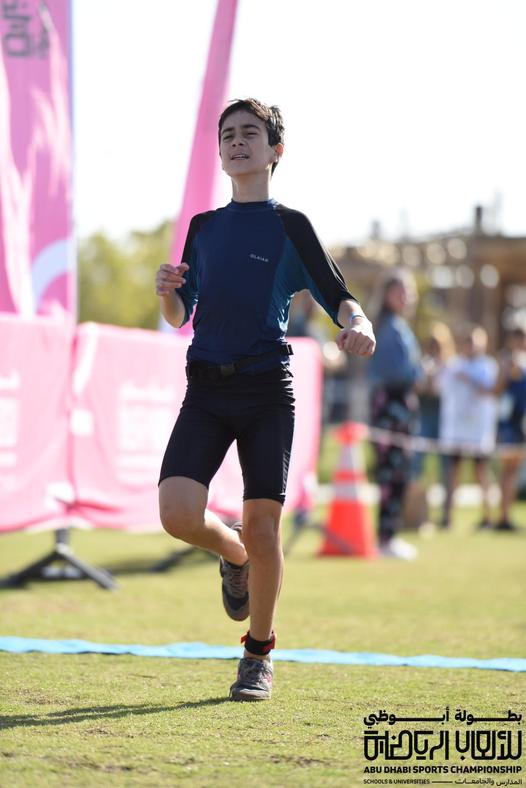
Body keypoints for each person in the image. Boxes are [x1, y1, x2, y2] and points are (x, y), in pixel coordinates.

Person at [155, 98, 376, 702]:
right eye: (228, 134)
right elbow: (179, 314)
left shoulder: (290, 225)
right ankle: (234, 555)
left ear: (276, 150)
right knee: (176, 513)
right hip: (206, 388)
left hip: (266, 391)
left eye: (250, 133)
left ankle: (257, 653)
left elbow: (337, 293)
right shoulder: (203, 227)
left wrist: (360, 324)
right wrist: (167, 292)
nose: (237, 141)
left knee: (263, 524)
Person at [367, 271, 422, 560]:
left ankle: (389, 535)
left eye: (409, 291)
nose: (406, 297)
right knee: (391, 473)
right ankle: (386, 537)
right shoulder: (390, 328)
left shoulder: (397, 326)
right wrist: (421, 374)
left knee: (397, 473)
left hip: (399, 407)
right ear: (388, 294)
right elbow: (398, 373)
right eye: (400, 290)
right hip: (392, 407)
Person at [438, 325, 498, 530]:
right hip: (456, 429)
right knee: (452, 472)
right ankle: (447, 516)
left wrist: (469, 379)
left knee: (481, 472)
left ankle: (488, 517)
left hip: (478, 430)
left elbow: (490, 390)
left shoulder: (488, 366)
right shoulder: (454, 364)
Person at [494, 324, 526, 531]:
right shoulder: (507, 361)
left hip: (522, 422)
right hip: (510, 423)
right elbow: (497, 389)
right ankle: (504, 516)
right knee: (508, 469)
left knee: (514, 470)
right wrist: (509, 371)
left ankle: (508, 515)